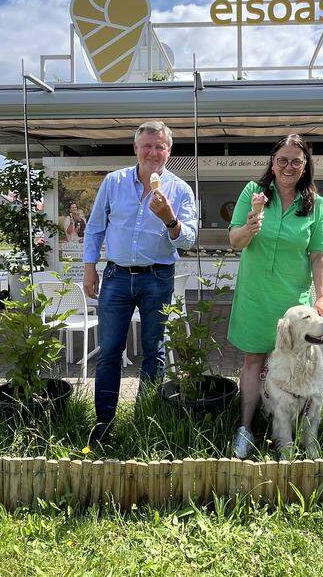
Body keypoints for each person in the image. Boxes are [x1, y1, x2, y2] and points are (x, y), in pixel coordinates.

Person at [82, 121, 199, 447]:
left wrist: (169, 218)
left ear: (169, 151)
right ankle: (104, 425)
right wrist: (90, 267)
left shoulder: (180, 189)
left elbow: (187, 240)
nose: (153, 152)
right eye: (147, 145)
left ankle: (146, 423)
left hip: (158, 277)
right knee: (109, 353)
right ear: (135, 148)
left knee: (154, 352)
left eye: (159, 146)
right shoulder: (114, 181)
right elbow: (95, 228)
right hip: (117, 275)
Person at [227, 134, 323, 459]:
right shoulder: (253, 193)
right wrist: (249, 227)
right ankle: (246, 428)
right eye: (282, 160)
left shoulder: (316, 204)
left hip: (292, 305)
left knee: (293, 362)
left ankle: (295, 430)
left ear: (305, 166)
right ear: (272, 164)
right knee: (254, 361)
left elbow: (319, 254)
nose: (288, 166)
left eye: (296, 161)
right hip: (256, 296)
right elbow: (235, 241)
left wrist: (322, 298)